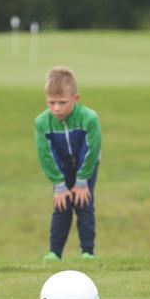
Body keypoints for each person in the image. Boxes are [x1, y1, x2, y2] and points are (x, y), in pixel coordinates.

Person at [34, 66, 101, 262]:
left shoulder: (89, 118)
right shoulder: (42, 122)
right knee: (61, 205)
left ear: (75, 98)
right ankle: (55, 253)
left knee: (84, 203)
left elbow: (91, 150)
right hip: (59, 169)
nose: (56, 108)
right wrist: (59, 185)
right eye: (51, 103)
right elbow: (46, 155)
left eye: (62, 102)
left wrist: (81, 181)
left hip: (86, 167)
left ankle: (87, 252)